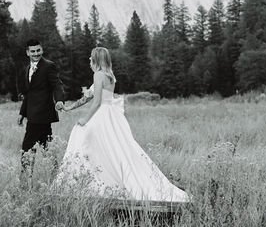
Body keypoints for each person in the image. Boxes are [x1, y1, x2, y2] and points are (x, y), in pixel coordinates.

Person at [57, 46, 189, 203]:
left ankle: (94, 181)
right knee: (114, 148)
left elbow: (97, 101)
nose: (89, 61)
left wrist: (85, 119)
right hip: (111, 115)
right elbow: (87, 97)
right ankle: (101, 179)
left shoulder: (98, 75)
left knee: (83, 135)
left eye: (91, 58)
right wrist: (68, 108)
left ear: (96, 60)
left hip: (103, 114)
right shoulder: (109, 75)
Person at [16, 39, 66, 180]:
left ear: (42, 50)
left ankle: (26, 179)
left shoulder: (49, 66)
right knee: (46, 147)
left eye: (38, 50)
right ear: (28, 53)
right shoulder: (27, 69)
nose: (36, 53)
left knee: (27, 146)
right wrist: (22, 112)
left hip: (42, 114)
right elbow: (28, 94)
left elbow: (57, 85)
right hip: (32, 114)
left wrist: (60, 100)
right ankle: (57, 176)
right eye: (33, 51)